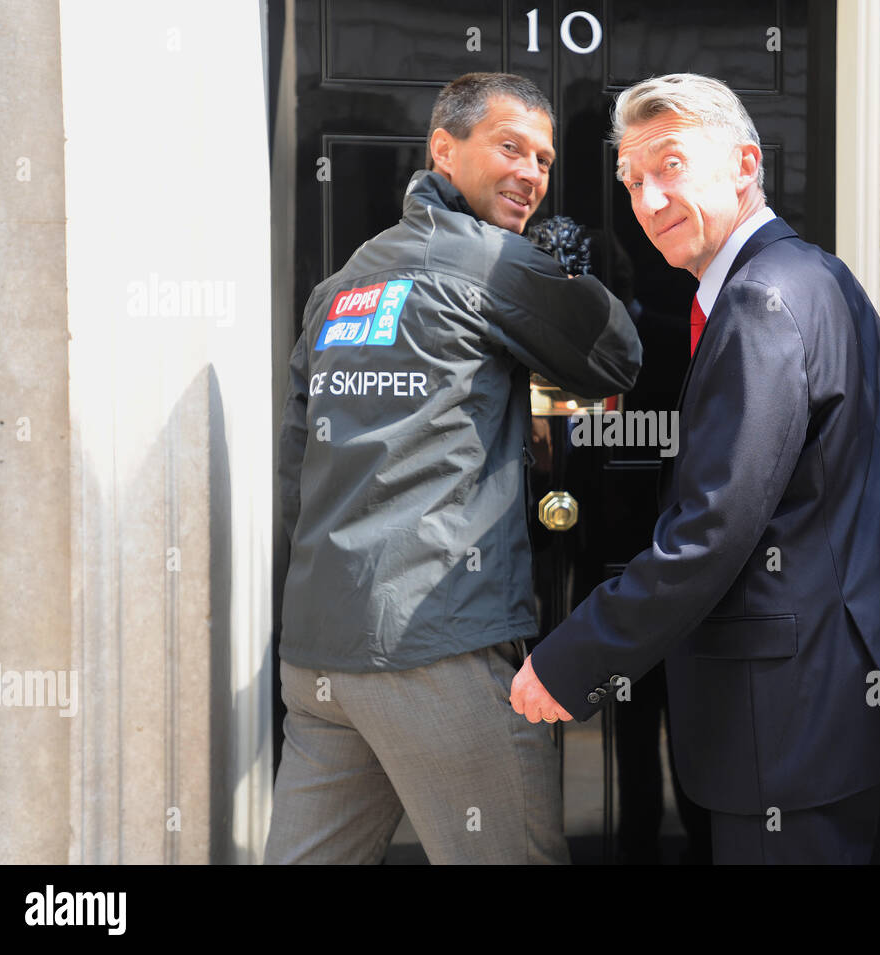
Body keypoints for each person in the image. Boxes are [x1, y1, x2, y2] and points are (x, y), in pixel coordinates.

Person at [510, 73, 880, 864]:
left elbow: (712, 530)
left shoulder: (760, 302)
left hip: (795, 729)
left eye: (670, 165)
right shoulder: (813, 274)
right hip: (839, 709)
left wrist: (570, 658)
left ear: (744, 165)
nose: (648, 198)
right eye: (632, 180)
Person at [266, 72, 642, 865]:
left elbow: (298, 474)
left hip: (319, 662)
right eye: (510, 147)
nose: (532, 173)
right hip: (435, 652)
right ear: (444, 148)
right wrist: (565, 275)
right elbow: (617, 357)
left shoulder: (341, 287)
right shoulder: (491, 264)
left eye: (542, 158)